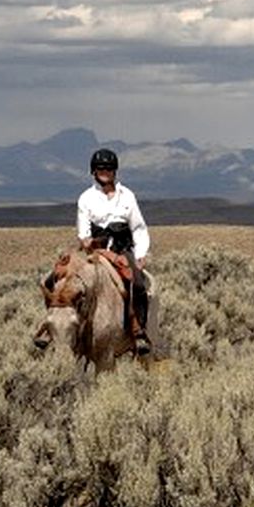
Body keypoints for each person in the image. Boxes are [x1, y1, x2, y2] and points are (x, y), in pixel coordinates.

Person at [75, 148, 152, 355]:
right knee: (67, 285)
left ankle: (138, 331)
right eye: (100, 168)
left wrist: (140, 254)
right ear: (93, 171)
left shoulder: (127, 196)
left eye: (108, 168)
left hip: (122, 249)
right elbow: (83, 231)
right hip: (97, 253)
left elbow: (138, 227)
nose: (105, 172)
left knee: (137, 282)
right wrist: (86, 240)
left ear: (115, 171)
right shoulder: (85, 198)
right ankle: (70, 334)